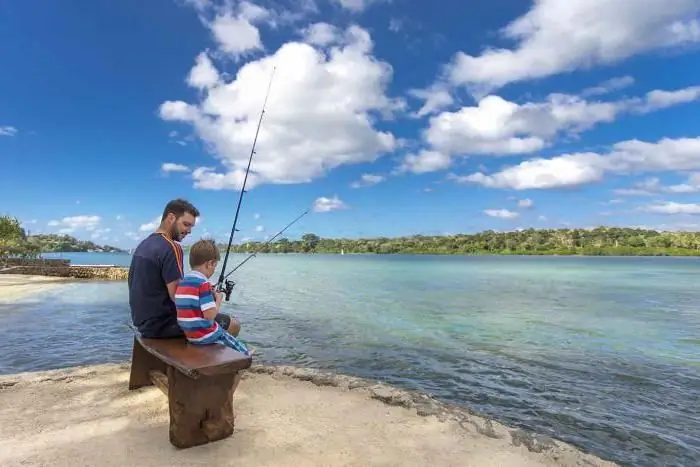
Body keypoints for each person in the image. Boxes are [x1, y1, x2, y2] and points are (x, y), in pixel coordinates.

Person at [128, 198, 239, 339]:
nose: (189, 231)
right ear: (171, 218)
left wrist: (200, 288)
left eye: (191, 226)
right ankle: (208, 359)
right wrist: (212, 298)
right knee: (233, 325)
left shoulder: (143, 245)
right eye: (186, 225)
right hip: (164, 325)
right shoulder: (172, 247)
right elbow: (177, 296)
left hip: (143, 323)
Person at [174, 238, 251, 356]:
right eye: (214, 266)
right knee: (230, 339)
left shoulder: (184, 282)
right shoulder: (203, 284)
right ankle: (245, 355)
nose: (214, 270)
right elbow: (210, 315)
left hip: (191, 336)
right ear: (209, 264)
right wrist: (218, 299)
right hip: (205, 335)